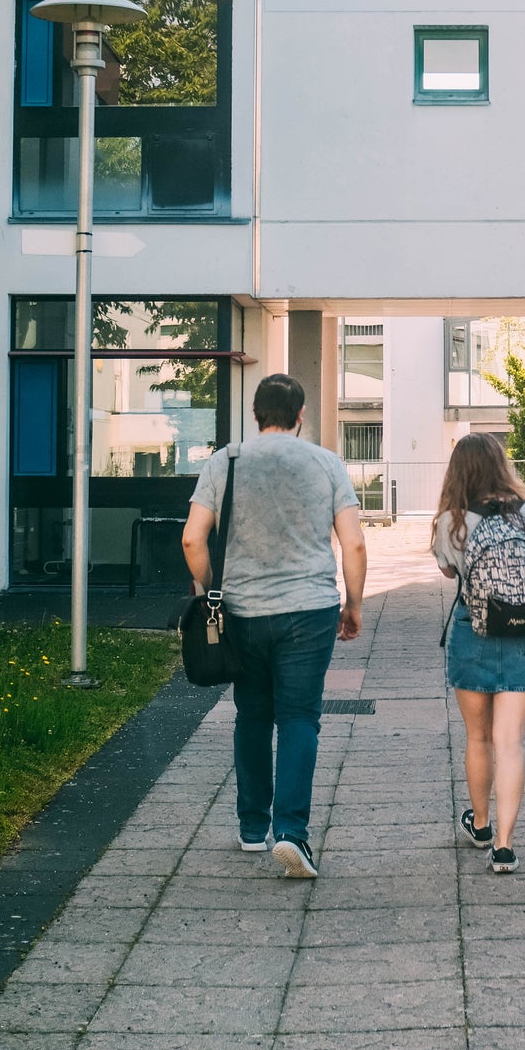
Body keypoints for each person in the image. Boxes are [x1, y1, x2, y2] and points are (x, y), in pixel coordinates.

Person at [182, 371, 367, 879]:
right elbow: (352, 543)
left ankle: (250, 829)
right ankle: (291, 834)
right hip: (309, 610)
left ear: (256, 414)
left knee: (252, 715)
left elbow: (192, 540)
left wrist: (207, 592)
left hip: (241, 610)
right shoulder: (327, 463)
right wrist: (353, 604)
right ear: (301, 416)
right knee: (300, 718)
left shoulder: (227, 461)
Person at [432, 433, 525, 874]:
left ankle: (481, 825)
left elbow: (448, 570)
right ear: (501, 465)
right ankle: (506, 846)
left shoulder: (451, 521)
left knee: (478, 737)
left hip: (471, 632)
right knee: (509, 741)